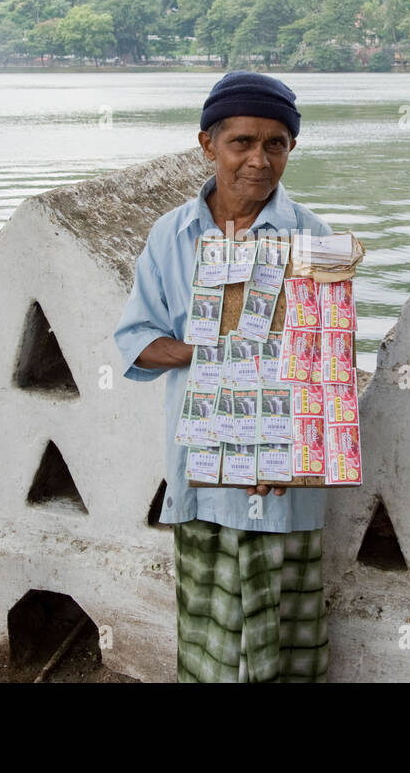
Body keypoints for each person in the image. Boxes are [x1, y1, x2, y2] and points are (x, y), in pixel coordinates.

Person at [113, 70, 333, 683]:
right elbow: (136, 340)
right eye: (242, 142)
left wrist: (300, 453)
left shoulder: (311, 239)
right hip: (203, 467)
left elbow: (326, 369)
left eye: (275, 144)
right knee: (210, 639)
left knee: (282, 641)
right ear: (207, 144)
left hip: (280, 475)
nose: (258, 160)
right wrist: (211, 348)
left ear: (291, 149)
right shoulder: (172, 234)